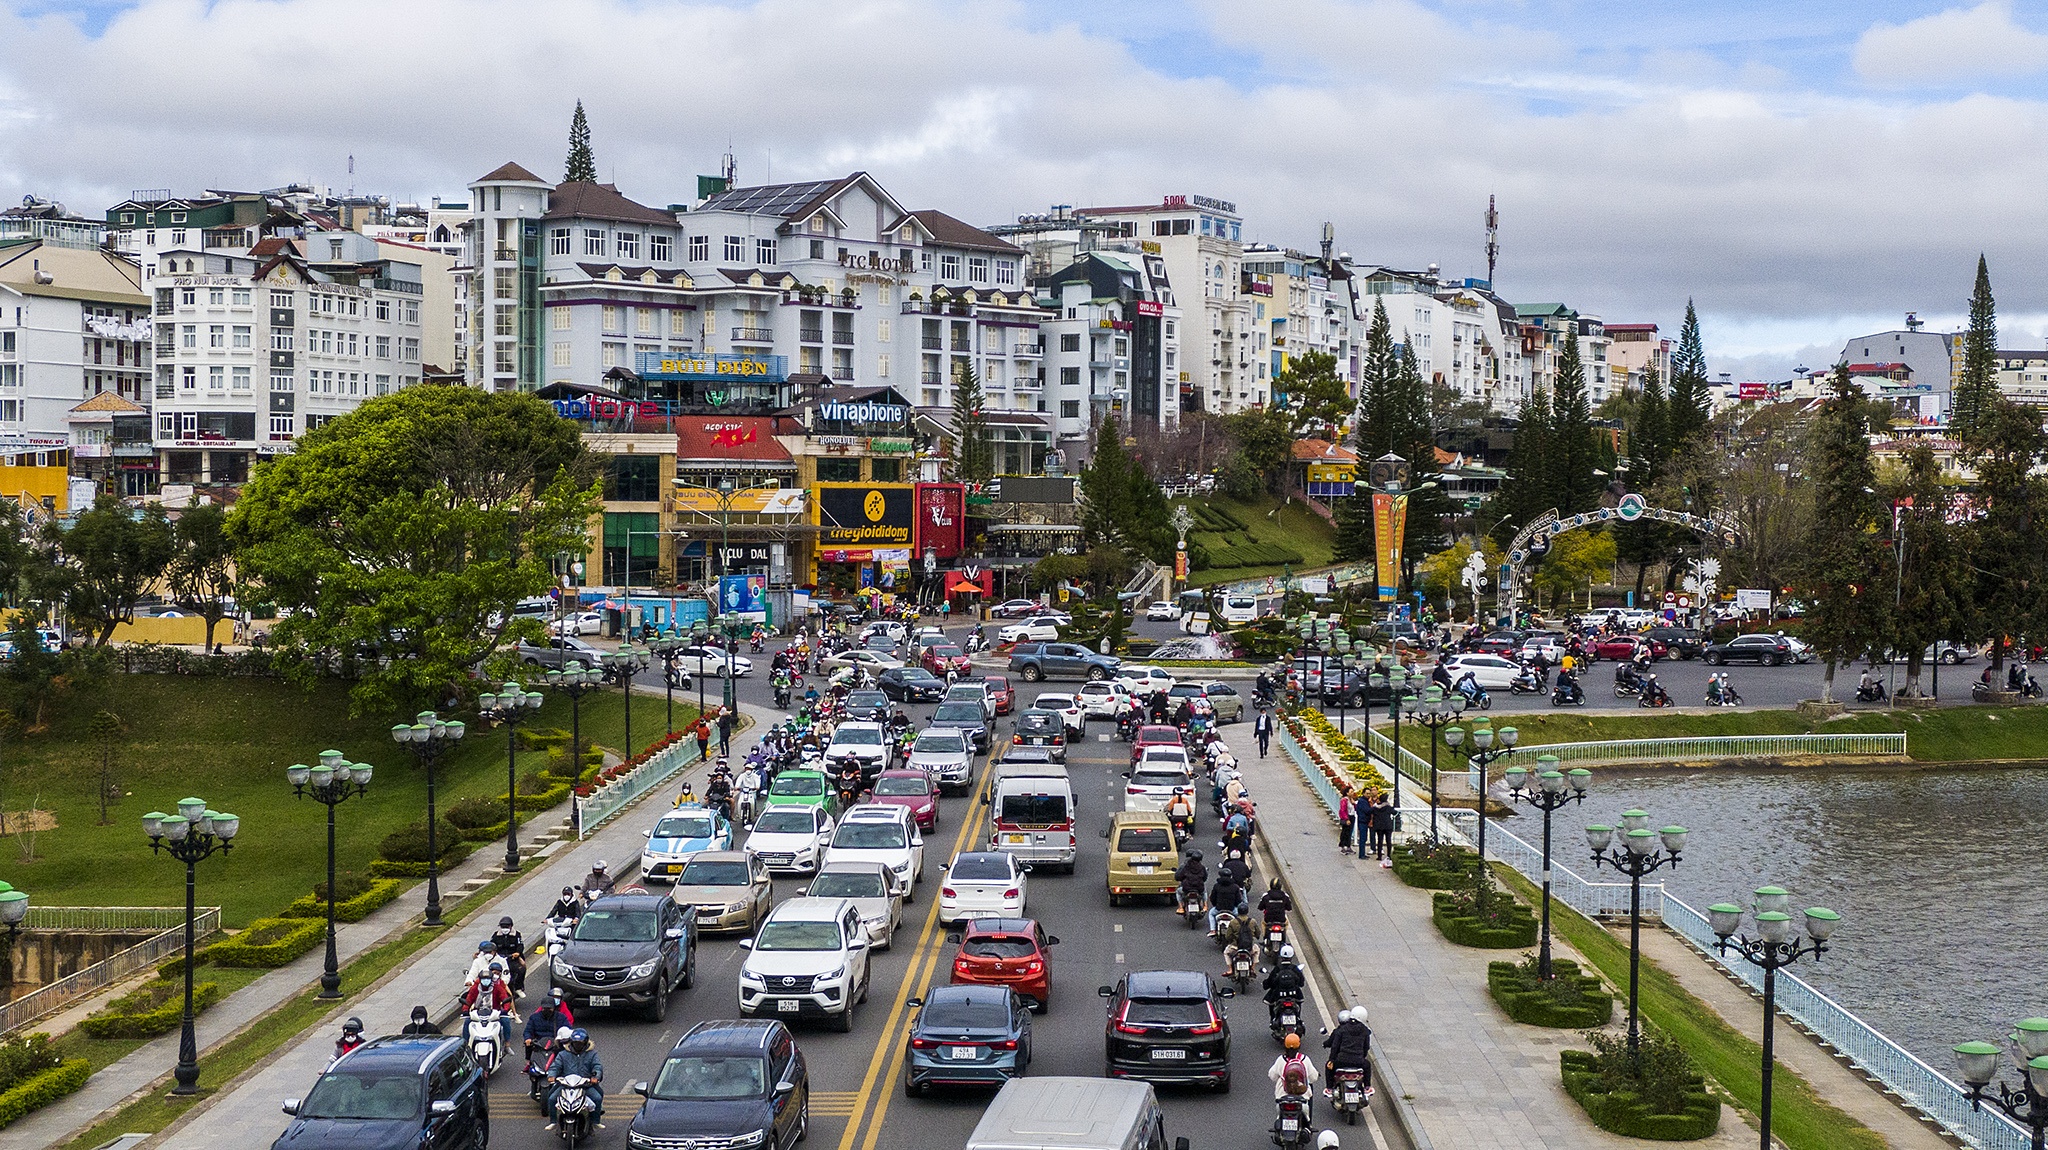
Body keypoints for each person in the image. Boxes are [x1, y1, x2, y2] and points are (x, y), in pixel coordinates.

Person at [546, 1028, 605, 1129]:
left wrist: (595, 1077)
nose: (578, 1045)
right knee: (551, 1098)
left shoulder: (592, 1054)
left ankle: (595, 1121)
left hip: (585, 1085)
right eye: (575, 1043)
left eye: (580, 1043)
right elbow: (555, 1066)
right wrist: (552, 1075)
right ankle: (554, 1121)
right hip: (566, 1085)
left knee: (597, 1098)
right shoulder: (563, 1054)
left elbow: (597, 1066)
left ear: (585, 1043)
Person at [461, 971, 517, 1047]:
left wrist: (505, 1010)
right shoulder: (475, 988)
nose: (486, 981)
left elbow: (505, 998)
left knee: (506, 1021)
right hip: (478, 1012)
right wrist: (465, 1010)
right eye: (483, 979)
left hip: (494, 1012)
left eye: (487, 979)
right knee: (467, 1022)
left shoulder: (497, 988)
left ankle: (507, 1043)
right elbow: (469, 1000)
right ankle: (465, 1044)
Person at [1323, 1007, 1372, 1092]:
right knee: (1367, 1066)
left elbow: (1335, 1046)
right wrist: (1361, 1057)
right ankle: (1367, 1087)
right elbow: (1366, 1047)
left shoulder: (1342, 1029)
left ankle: (1329, 1088)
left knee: (1329, 1067)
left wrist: (1331, 1060)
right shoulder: (1365, 1030)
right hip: (1359, 1062)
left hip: (1341, 1061)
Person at [1268, 1033, 1315, 1119]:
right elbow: (1313, 1077)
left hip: (1283, 1097)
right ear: (1299, 1046)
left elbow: (1272, 1076)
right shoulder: (1305, 1059)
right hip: (1302, 1098)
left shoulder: (1281, 1060)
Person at [523, 989, 576, 1060]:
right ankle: (528, 1063)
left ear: (554, 1008)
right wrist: (528, 1038)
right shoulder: (534, 1017)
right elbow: (528, 1031)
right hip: (539, 1044)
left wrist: (563, 1039)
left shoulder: (561, 1017)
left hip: (555, 1044)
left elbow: (568, 1029)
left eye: (549, 1008)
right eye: (545, 1008)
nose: (547, 1010)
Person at [490, 916, 527, 997]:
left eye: (507, 926)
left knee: (522, 969)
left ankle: (518, 988)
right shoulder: (496, 935)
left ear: (511, 926)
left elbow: (520, 945)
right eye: (503, 927)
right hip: (499, 958)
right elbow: (491, 945)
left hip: (512, 958)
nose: (505, 928)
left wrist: (517, 952)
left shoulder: (516, 934)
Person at [1207, 868, 1245, 936]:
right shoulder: (1235, 887)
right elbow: (1238, 900)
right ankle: (1238, 930)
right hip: (1232, 909)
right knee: (1240, 917)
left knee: (1211, 914)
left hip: (1219, 909)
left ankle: (1212, 930)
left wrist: (1215, 905)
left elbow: (1213, 898)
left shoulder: (1217, 886)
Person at [1175, 849, 1207, 916]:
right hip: (1199, 888)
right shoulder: (1202, 867)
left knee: (1178, 892)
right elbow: (1205, 877)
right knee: (1204, 892)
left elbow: (1180, 876)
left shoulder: (1186, 866)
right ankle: (1205, 905)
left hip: (1187, 888)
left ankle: (1181, 907)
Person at [1369, 794, 1398, 864]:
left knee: (1379, 840)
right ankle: (1388, 855)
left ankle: (1379, 856)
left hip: (1379, 826)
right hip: (1387, 826)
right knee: (1388, 841)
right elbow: (1395, 812)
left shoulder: (1376, 807)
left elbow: (1370, 811)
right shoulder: (1388, 807)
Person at [1335, 784, 1355, 853]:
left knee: (1350, 832)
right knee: (1345, 832)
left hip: (1352, 816)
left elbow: (1355, 808)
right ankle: (1343, 846)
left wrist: (1354, 803)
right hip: (1347, 817)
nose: (1353, 793)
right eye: (1351, 792)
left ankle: (1348, 846)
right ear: (1347, 793)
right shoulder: (1344, 800)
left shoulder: (1351, 800)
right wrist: (1346, 819)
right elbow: (1343, 810)